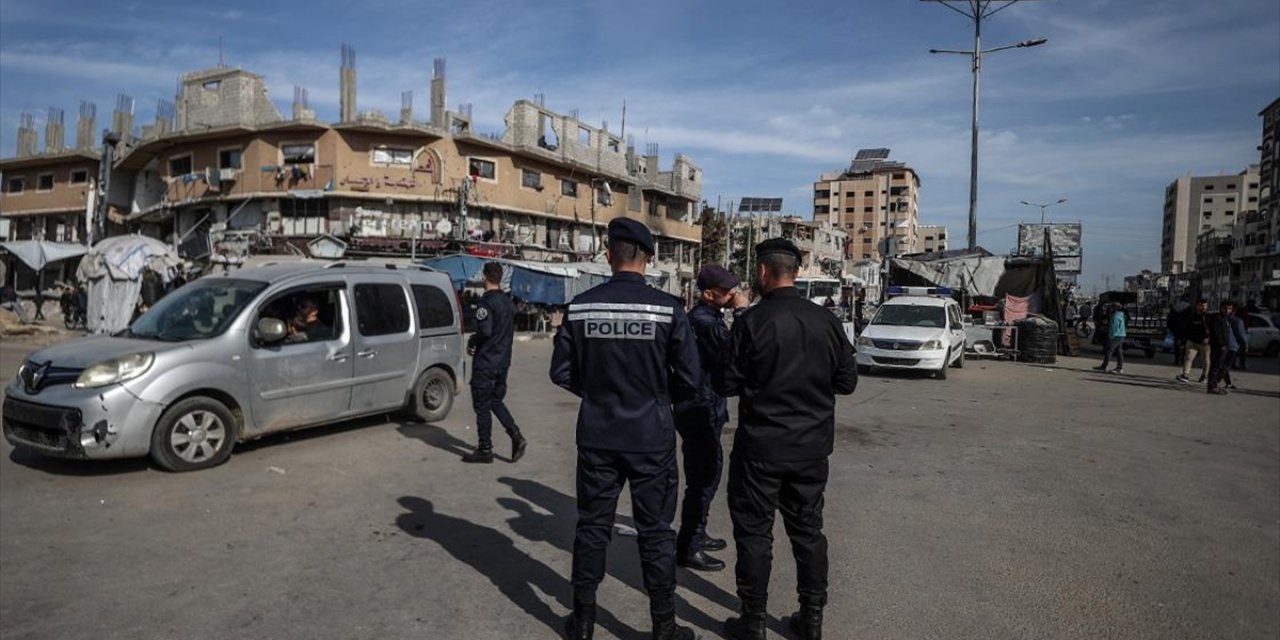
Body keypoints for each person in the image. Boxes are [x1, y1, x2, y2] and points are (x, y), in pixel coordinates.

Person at [550, 218, 702, 640]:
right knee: (655, 533)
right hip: (651, 437)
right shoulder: (668, 309)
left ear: (608, 255)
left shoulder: (581, 307)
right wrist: (657, 396)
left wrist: (597, 393)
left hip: (598, 435)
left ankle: (583, 622)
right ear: (648, 257)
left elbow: (560, 372)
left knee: (592, 527)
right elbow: (691, 380)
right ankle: (664, 626)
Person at [715, 238, 859, 640]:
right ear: (794, 272)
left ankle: (753, 622)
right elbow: (847, 382)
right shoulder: (826, 321)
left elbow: (724, 382)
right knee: (808, 533)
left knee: (754, 535)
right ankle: (811, 620)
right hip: (810, 451)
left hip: (760, 450)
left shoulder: (751, 323)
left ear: (763, 272)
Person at [672, 264, 749, 573]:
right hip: (698, 408)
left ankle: (697, 531)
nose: (733, 294)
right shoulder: (703, 321)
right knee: (704, 476)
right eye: (726, 291)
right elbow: (735, 352)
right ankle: (689, 545)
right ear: (708, 294)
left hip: (706, 405)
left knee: (707, 475)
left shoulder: (710, 316)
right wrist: (742, 313)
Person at [461, 262, 526, 464]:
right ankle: (515, 434)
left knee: (481, 405)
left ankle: (485, 449)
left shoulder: (486, 302)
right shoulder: (508, 302)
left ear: (484, 278)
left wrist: (473, 341)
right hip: (503, 361)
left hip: (486, 362)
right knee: (495, 400)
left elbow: (486, 331)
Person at [1177, 299, 1210, 384]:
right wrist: (1183, 339)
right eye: (1201, 305)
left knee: (1205, 359)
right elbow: (1186, 328)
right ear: (1196, 306)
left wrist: (1209, 338)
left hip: (1205, 342)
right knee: (1188, 357)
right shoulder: (1191, 316)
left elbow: (1214, 329)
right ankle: (1185, 375)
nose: (1203, 307)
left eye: (1205, 306)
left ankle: (1204, 376)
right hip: (1193, 340)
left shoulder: (1209, 317)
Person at [1207, 301, 1234, 395]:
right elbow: (1216, 332)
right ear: (1221, 308)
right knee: (1215, 366)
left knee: (1218, 366)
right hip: (1218, 346)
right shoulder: (1217, 318)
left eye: (1230, 309)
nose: (1227, 310)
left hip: (1224, 346)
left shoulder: (1225, 319)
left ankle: (1215, 385)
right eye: (1225, 308)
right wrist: (1221, 344)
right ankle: (1212, 387)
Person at [1094, 302, 1126, 374]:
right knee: (1119, 351)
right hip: (1121, 335)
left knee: (1109, 351)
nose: (1110, 309)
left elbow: (1114, 328)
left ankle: (1104, 366)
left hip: (1115, 335)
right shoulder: (1120, 315)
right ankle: (1119, 367)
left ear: (1114, 308)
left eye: (1111, 307)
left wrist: (1110, 336)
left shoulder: (1115, 316)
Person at [1224, 305, 1247, 389]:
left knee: (1223, 365)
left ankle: (1228, 383)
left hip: (1223, 345)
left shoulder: (1221, 319)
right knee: (1225, 365)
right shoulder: (1238, 321)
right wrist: (1244, 345)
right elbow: (1242, 336)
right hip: (1232, 346)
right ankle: (1216, 382)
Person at [1166, 297, 1191, 367]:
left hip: (1175, 328)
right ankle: (1182, 359)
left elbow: (1170, 317)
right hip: (1185, 329)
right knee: (1184, 344)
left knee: (1176, 343)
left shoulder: (1174, 307)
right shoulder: (1189, 308)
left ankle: (1176, 359)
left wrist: (1169, 327)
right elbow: (1191, 318)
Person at [1233, 303, 1251, 370]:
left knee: (1238, 351)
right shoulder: (1242, 314)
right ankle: (1240, 364)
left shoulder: (1240, 314)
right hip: (1241, 334)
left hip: (1239, 334)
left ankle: (1239, 364)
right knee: (1241, 351)